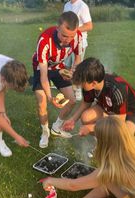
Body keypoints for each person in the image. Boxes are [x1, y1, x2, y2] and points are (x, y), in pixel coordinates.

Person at [32, 11, 83, 148]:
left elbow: (78, 57)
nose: (67, 39)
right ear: (57, 28)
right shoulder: (45, 41)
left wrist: (72, 71)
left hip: (59, 67)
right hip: (41, 69)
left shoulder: (77, 36)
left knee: (72, 99)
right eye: (64, 35)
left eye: (71, 36)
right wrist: (50, 97)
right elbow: (44, 75)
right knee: (42, 102)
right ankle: (45, 132)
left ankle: (56, 128)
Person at [63, 57, 135, 136]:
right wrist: (73, 120)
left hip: (130, 111)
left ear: (93, 83)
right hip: (106, 107)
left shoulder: (116, 90)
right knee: (86, 117)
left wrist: (90, 128)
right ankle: (101, 142)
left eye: (82, 83)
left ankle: (107, 142)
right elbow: (86, 103)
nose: (80, 85)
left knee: (122, 135)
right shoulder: (89, 84)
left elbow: (118, 122)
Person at [63, 0, 93, 101]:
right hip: (67, 42)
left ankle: (78, 91)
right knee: (66, 67)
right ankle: (67, 89)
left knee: (77, 68)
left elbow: (89, 26)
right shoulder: (67, 5)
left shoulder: (82, 6)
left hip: (79, 42)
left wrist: (73, 30)